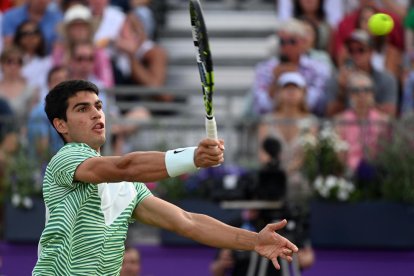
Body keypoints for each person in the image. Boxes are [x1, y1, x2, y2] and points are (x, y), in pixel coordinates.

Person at [32, 79, 298, 275]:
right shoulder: (66, 158)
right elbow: (125, 165)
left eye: (98, 106)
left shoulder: (129, 188)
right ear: (61, 125)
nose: (95, 113)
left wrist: (255, 241)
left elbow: (188, 222)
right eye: (82, 109)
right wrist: (193, 157)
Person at [250, 18, 331, 117]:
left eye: (292, 41)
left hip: (307, 123)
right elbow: (261, 107)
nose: (287, 46)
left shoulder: (318, 69)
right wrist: (275, 81)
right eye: (282, 42)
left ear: (303, 42)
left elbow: (315, 105)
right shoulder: (265, 68)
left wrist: (295, 80)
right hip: (274, 123)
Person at [325, 29, 398, 118]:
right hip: (345, 129)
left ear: (371, 52)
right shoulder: (337, 79)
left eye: (361, 50)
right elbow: (331, 116)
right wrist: (342, 90)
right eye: (351, 50)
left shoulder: (386, 79)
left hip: (377, 128)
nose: (355, 54)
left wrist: (365, 98)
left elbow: (390, 115)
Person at [334, 71, 390, 174]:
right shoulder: (340, 121)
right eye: (356, 91)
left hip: (378, 170)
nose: (362, 95)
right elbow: (339, 156)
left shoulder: (383, 121)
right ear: (350, 94)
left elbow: (387, 153)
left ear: (373, 93)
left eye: (366, 90)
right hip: (349, 171)